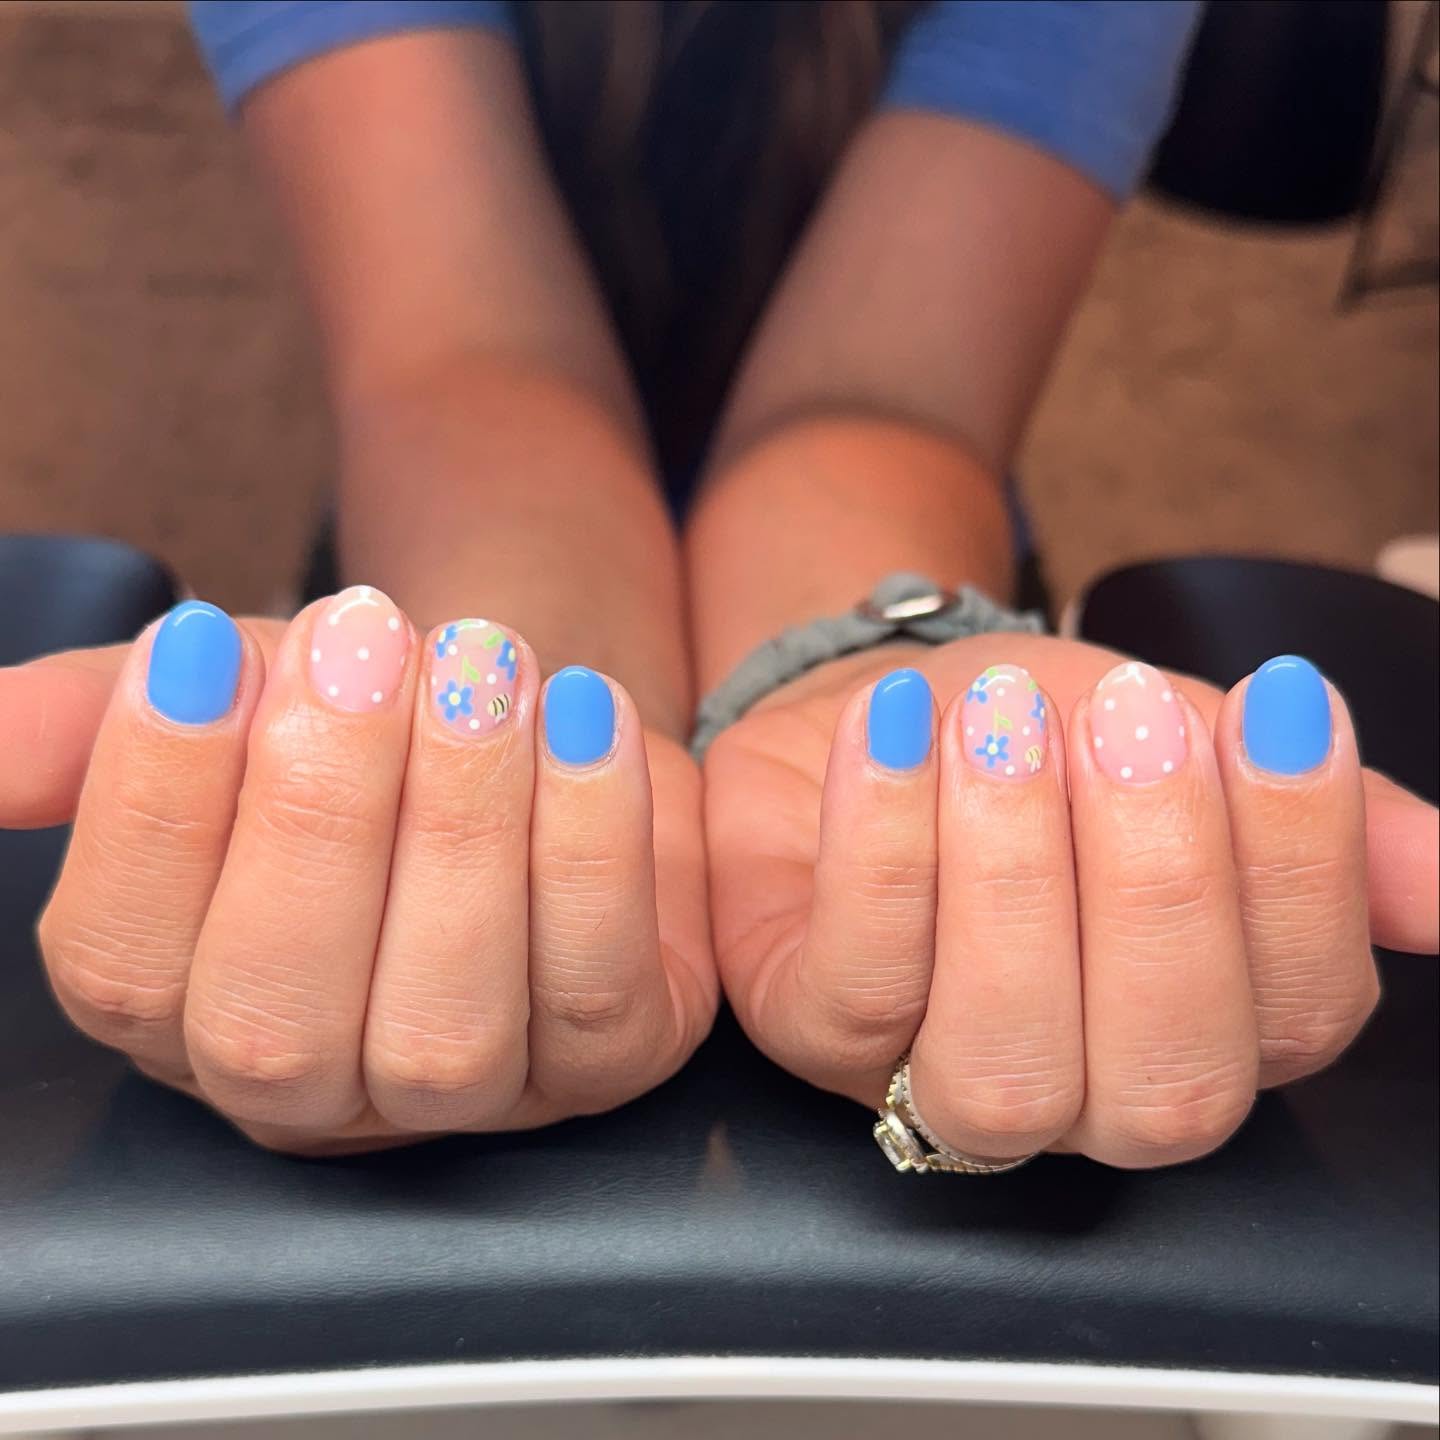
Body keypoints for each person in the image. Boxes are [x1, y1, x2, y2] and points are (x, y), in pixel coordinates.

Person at [2, 0, 1436, 1167]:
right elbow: (457, 368)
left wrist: (843, 666)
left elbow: (894, 406)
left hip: (901, 573)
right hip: (454, 546)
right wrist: (528, 696)